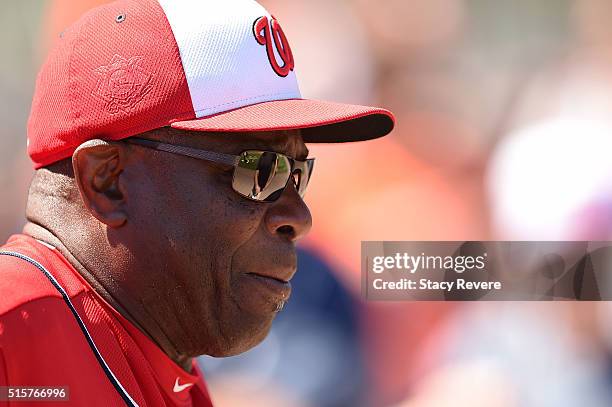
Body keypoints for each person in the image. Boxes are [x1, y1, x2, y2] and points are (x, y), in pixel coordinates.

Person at [0, 0, 394, 405]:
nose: (299, 216)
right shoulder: (11, 331)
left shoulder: (163, 359)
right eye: (258, 171)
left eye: (297, 174)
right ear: (108, 182)